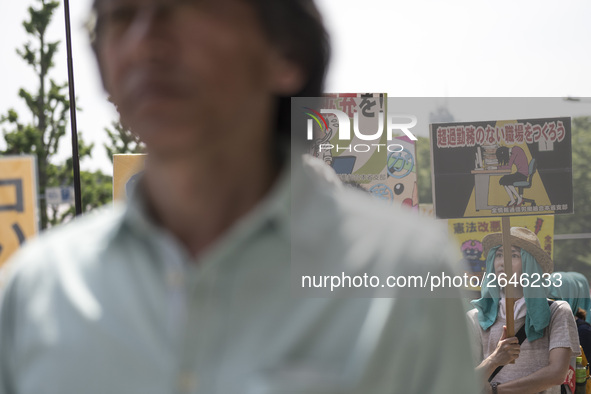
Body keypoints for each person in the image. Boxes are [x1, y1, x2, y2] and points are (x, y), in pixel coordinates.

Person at [0, 0, 477, 393]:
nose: (145, 42)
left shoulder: (406, 276)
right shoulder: (37, 291)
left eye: (185, 8)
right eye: (121, 16)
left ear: (286, 54)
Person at [468, 227, 580, 394]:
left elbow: (556, 373)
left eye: (513, 255)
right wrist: (494, 360)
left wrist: (497, 391)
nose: (502, 262)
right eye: (498, 254)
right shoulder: (476, 317)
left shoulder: (557, 312)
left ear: (531, 264)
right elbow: (464, 379)